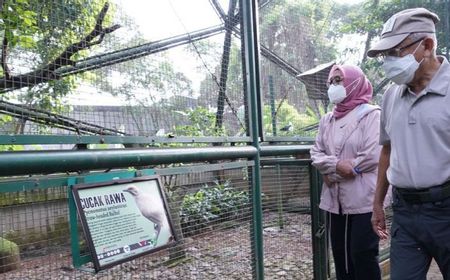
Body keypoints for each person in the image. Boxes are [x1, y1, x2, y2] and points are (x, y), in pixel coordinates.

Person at [367, 7, 450, 279]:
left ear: (426, 45)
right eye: (385, 55)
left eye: (396, 51)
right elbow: (387, 150)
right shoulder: (391, 96)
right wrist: (378, 203)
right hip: (405, 212)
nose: (389, 61)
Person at [310, 64, 387, 280]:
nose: (333, 85)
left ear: (354, 83)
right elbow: (316, 153)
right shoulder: (327, 119)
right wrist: (336, 167)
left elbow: (372, 155)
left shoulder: (372, 115)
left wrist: (333, 171)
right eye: (332, 81)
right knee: (341, 256)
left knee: (362, 253)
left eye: (338, 80)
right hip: (336, 201)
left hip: (365, 199)